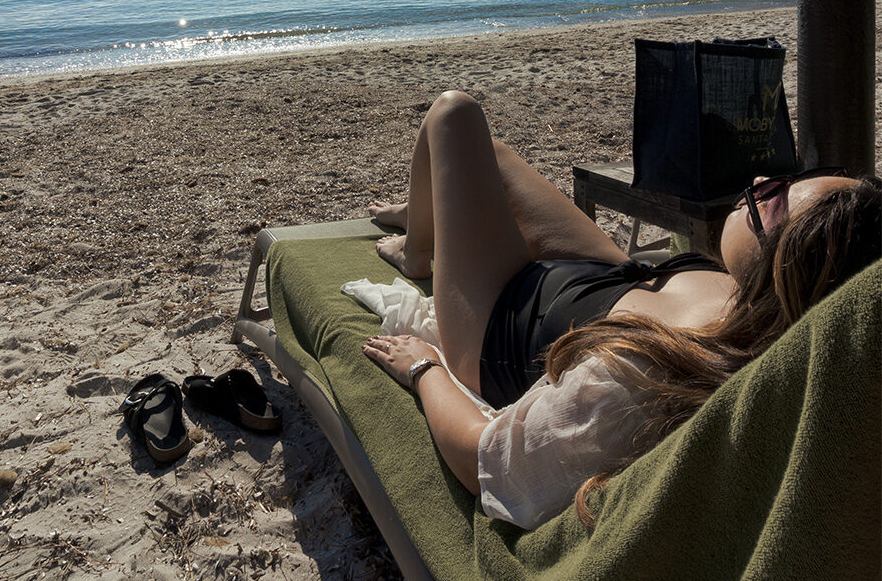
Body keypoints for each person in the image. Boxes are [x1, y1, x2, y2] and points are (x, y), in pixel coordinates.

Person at [360, 91, 881, 528]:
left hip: (500, 320)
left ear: (782, 272)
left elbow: (485, 461)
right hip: (611, 277)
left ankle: (418, 249)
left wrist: (423, 367)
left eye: (771, 200)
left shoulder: (648, 378)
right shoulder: (761, 312)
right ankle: (427, 212)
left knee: (453, 116)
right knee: (486, 155)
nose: (762, 180)